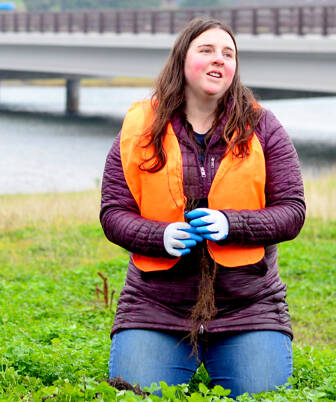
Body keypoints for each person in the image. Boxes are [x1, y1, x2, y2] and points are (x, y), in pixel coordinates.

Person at [100, 17, 305, 398]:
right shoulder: (139, 127)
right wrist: (158, 235)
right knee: (136, 396)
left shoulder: (263, 126)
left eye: (229, 54)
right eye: (207, 50)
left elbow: (292, 210)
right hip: (155, 306)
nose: (219, 60)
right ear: (182, 60)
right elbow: (113, 212)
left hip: (249, 307)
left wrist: (231, 225)